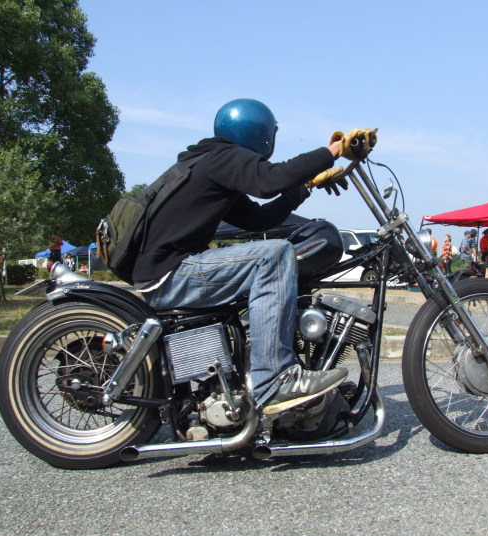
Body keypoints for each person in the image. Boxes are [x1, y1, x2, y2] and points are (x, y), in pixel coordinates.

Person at [133, 98, 376, 415]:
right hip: (172, 274)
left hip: (168, 272)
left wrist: (305, 185)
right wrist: (334, 151)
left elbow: (258, 220)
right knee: (274, 254)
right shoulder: (221, 157)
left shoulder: (211, 163)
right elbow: (270, 181)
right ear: (261, 134)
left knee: (271, 253)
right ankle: (274, 380)